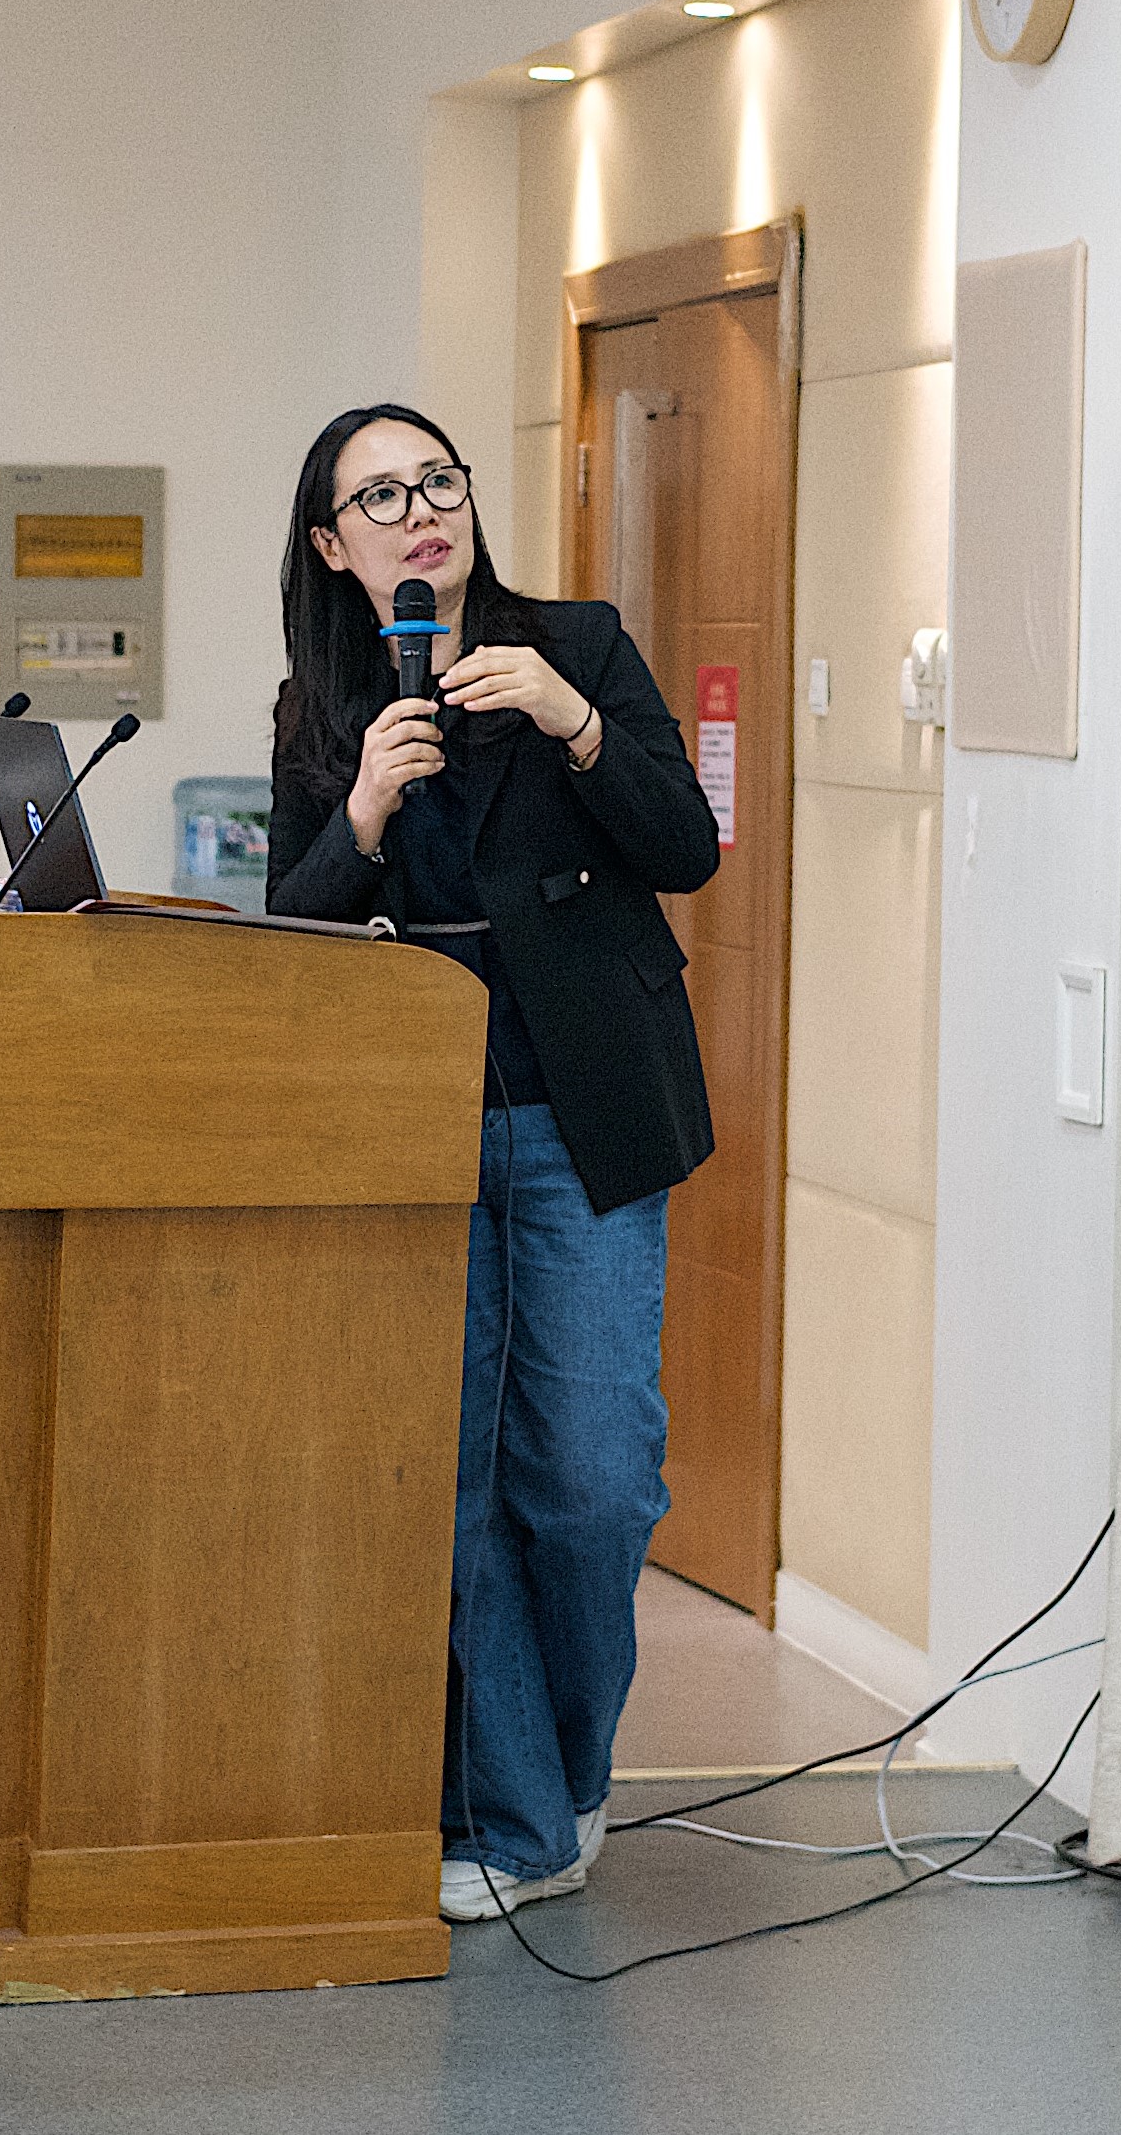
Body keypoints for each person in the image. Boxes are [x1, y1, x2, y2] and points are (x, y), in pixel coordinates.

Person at [264, 403, 720, 1922]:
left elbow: (687, 846)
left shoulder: (574, 644)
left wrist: (575, 722)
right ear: (334, 546)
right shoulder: (320, 705)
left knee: (591, 1477)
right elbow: (294, 928)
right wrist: (363, 812)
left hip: (582, 1110)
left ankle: (565, 1781)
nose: (421, 512)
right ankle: (515, 1823)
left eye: (438, 482)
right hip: (414, 1128)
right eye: (382, 497)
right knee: (452, 1482)